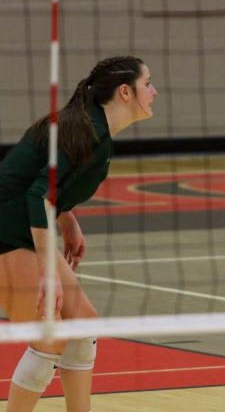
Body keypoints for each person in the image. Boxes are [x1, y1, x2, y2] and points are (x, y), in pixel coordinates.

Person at [0, 56, 157, 412]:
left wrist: (67, 217)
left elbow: (46, 183)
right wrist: (47, 274)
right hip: (6, 233)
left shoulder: (93, 131)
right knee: (49, 340)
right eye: (147, 83)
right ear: (124, 92)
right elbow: (37, 194)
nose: (154, 91)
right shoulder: (85, 130)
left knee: (82, 327)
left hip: (23, 225)